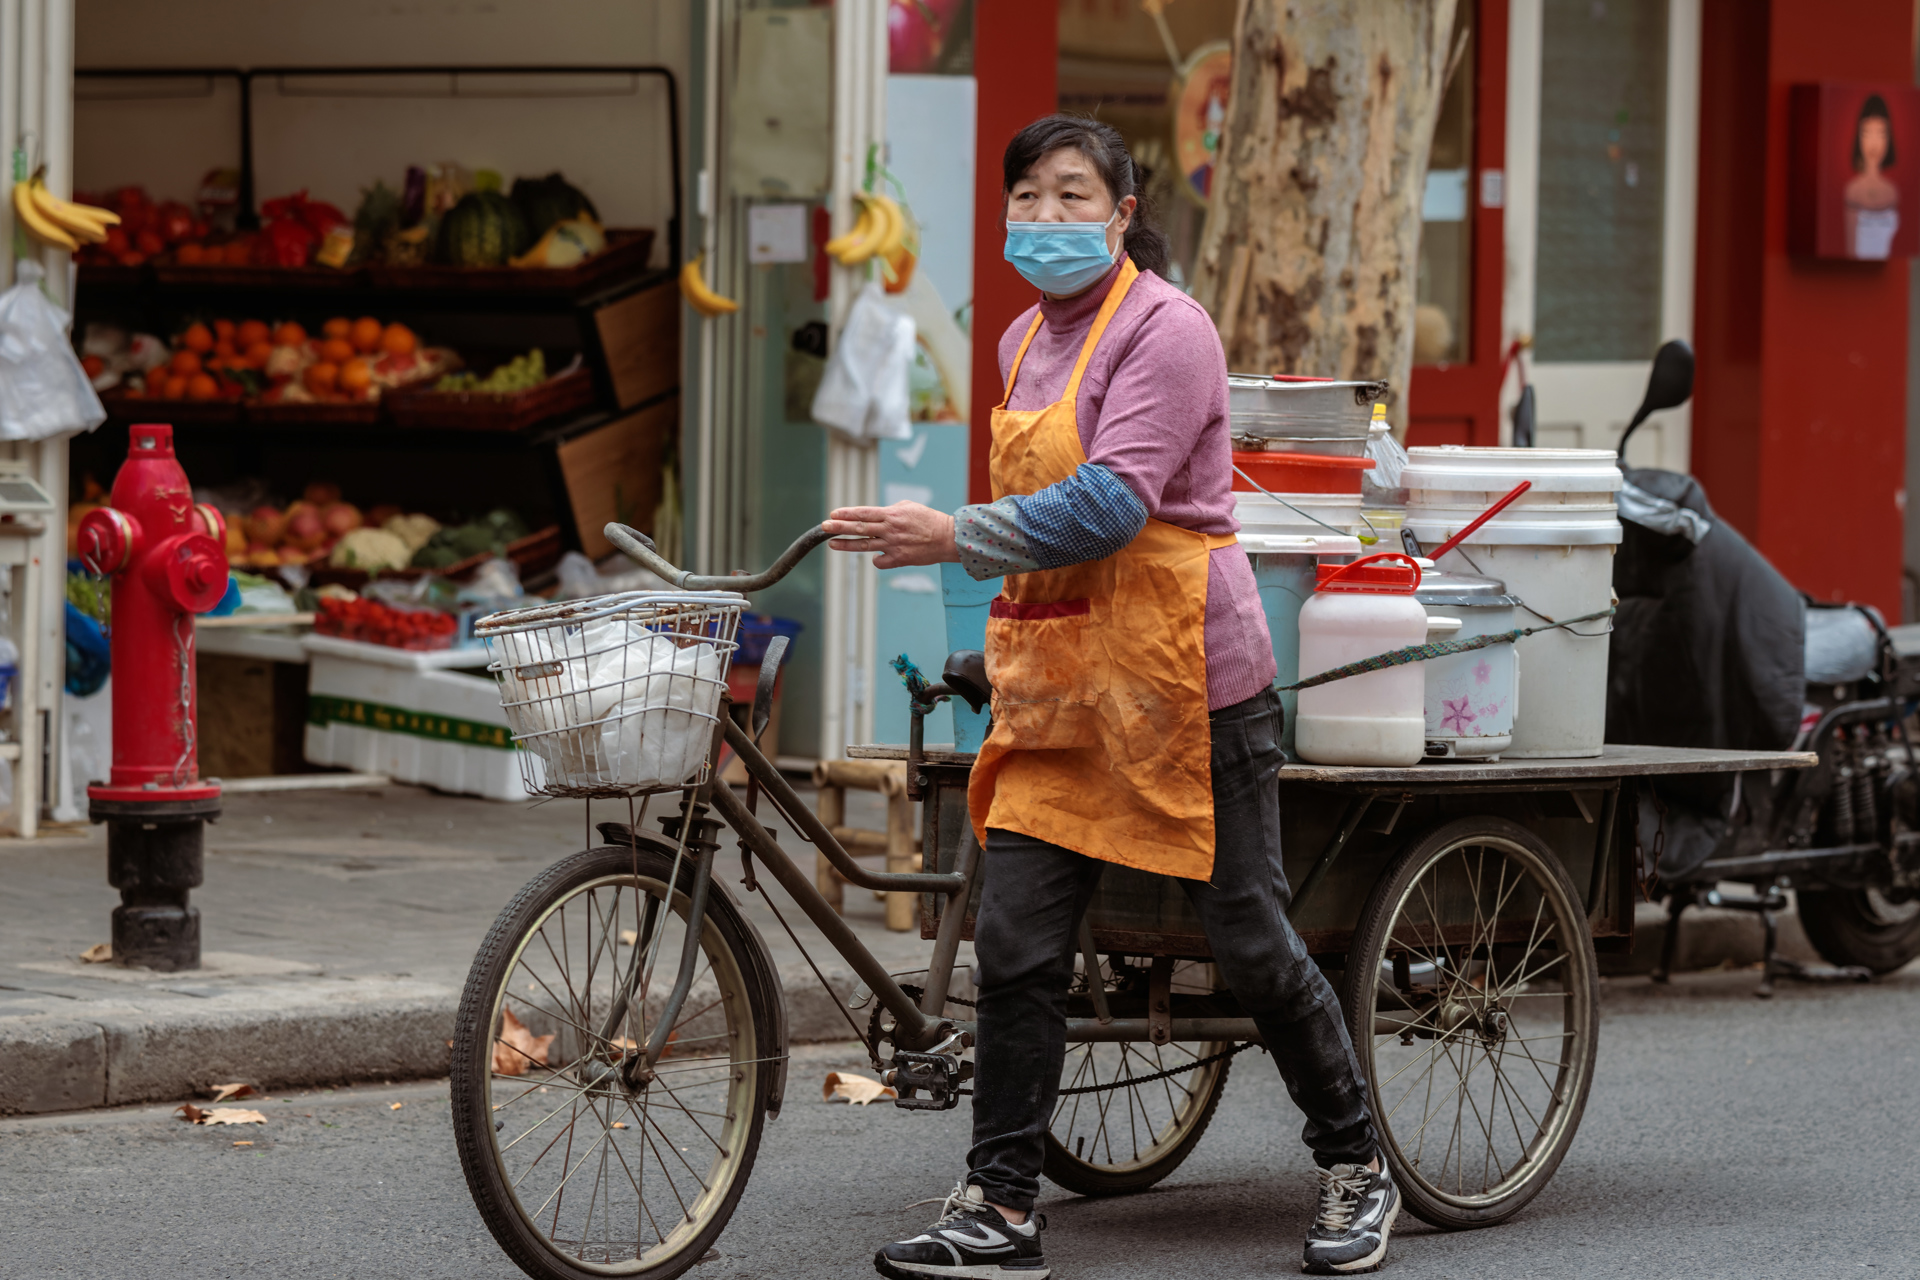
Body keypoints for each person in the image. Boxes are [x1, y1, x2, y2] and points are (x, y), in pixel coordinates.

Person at [824, 115, 1396, 1279]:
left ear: (1124, 212)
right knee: (1019, 940)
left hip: (1189, 677)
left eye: (1072, 194)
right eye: (1026, 196)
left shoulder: (1170, 330)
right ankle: (1000, 1207)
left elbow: (1112, 504)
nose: (1045, 217)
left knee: (1246, 935)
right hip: (1066, 680)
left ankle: (1356, 1161)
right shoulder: (1022, 339)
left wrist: (952, 532)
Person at [1845, 93, 1899, 260]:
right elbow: (1851, 245)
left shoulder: (1892, 192)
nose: (1874, 142)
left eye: (1881, 134)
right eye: (1867, 133)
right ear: (1859, 138)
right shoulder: (1853, 190)